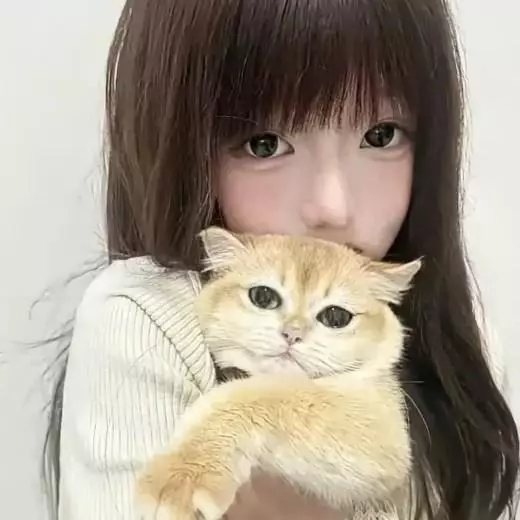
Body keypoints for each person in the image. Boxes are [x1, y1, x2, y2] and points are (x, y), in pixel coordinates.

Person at [45, 0, 519, 519]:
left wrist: (255, 421)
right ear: (181, 145)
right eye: (265, 144)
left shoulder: (463, 342)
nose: (332, 207)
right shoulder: (144, 318)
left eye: (380, 135)